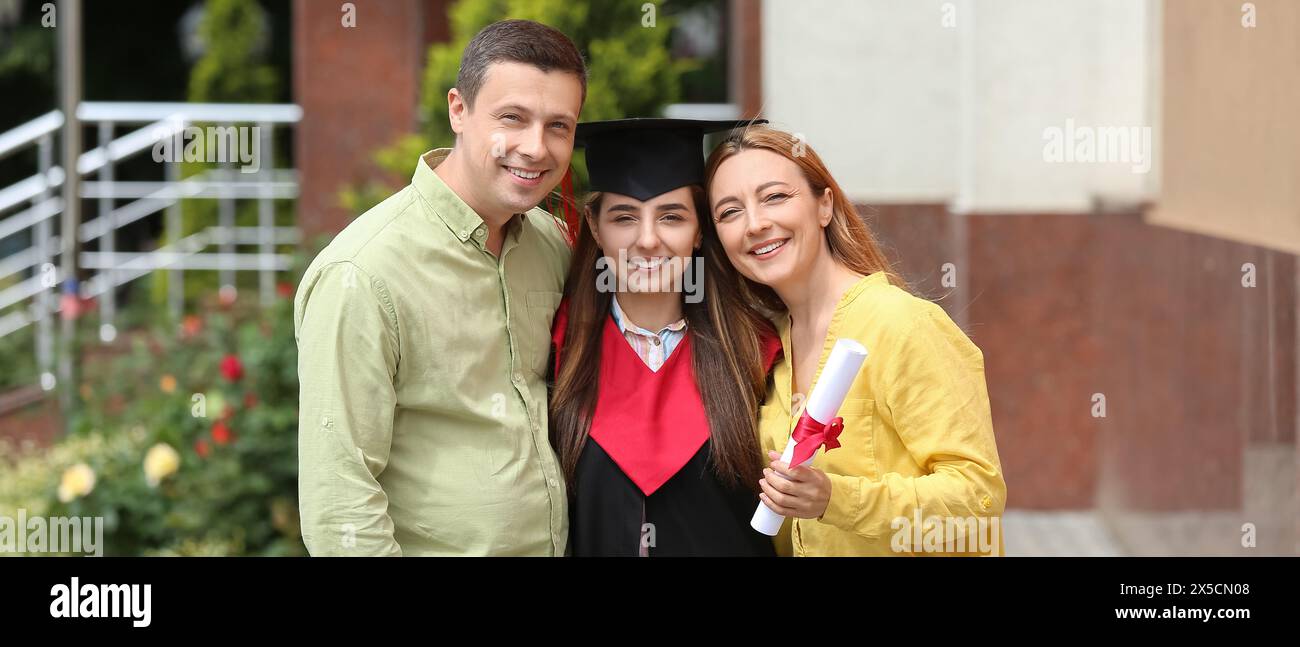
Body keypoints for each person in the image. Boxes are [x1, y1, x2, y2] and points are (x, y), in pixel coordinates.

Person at [294, 20, 585, 556]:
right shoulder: (362, 273)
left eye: (558, 126)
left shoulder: (552, 246)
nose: (535, 147)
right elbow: (340, 503)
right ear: (458, 110)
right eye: (512, 119)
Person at [704, 125, 1007, 556]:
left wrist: (836, 499)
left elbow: (978, 500)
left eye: (775, 196)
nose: (755, 223)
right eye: (730, 212)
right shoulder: (770, 346)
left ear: (824, 205)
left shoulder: (901, 323)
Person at [550, 119, 781, 556]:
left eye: (671, 217)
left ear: (699, 232)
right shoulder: (555, 352)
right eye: (624, 217)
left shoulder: (758, 353)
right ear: (596, 229)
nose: (648, 239)